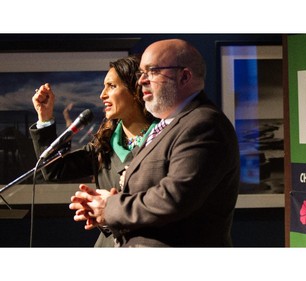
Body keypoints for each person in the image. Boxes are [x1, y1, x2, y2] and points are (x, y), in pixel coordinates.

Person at [69, 39, 241, 247]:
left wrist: (110, 206)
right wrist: (103, 212)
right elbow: (146, 203)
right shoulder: (167, 126)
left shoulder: (204, 124)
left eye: (152, 71)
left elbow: (173, 198)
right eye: (141, 73)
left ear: (184, 76)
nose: (141, 81)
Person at [30, 55, 157, 247]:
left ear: (135, 90)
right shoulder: (103, 146)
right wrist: (45, 118)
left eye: (111, 86)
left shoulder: (165, 137)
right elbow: (53, 169)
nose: (102, 95)